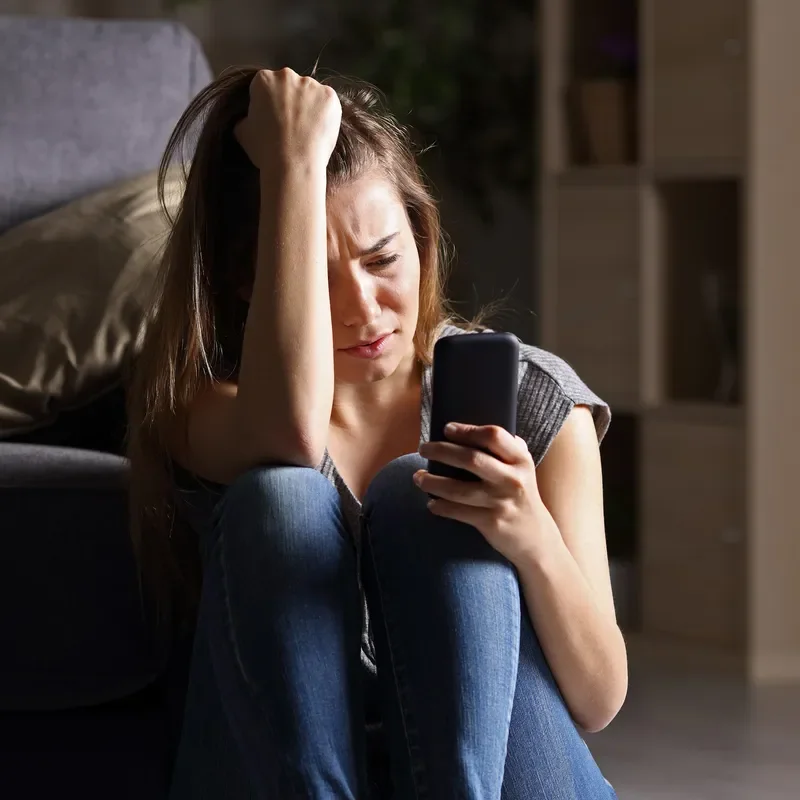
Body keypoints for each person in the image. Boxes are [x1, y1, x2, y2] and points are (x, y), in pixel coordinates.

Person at [127, 66, 627, 799]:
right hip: (286, 777)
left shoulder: (535, 399)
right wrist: (293, 165)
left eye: (383, 259)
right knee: (282, 500)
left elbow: (598, 699)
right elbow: (290, 433)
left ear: (421, 235)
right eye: (319, 273)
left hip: (489, 779)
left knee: (418, 496)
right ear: (251, 281)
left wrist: (529, 536)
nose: (363, 308)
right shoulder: (202, 405)